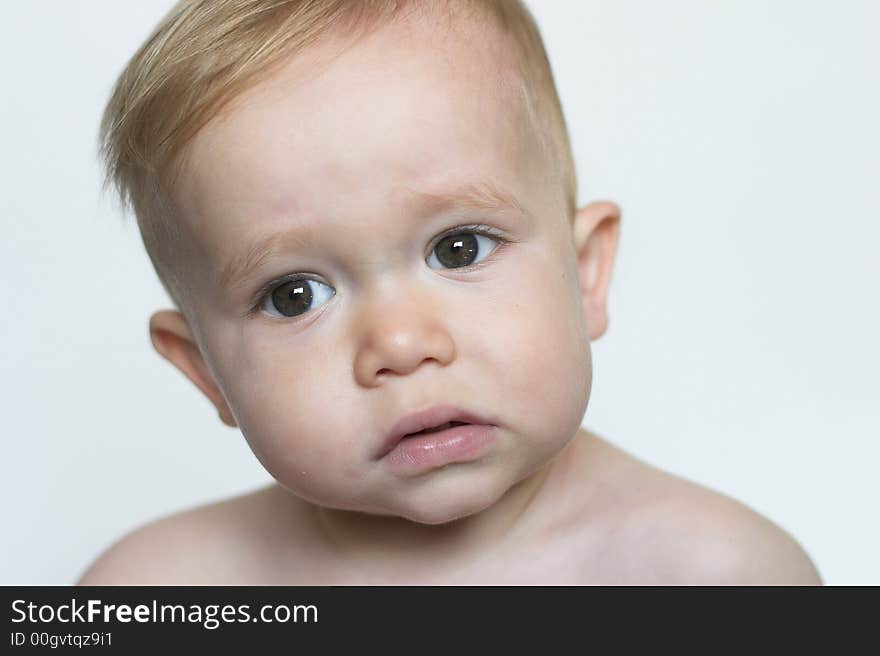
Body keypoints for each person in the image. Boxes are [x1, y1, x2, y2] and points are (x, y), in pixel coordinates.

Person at [77, 0, 821, 584]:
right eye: (295, 295)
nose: (400, 344)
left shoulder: (715, 576)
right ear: (206, 368)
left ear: (586, 271)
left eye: (458, 248)